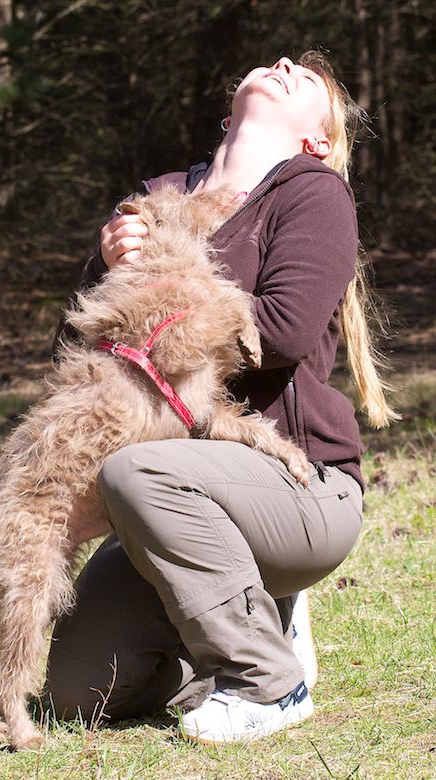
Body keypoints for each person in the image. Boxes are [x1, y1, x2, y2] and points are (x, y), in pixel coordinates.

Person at [45, 51, 397, 744]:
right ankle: (246, 624)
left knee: (135, 472)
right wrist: (104, 269)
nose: (286, 62)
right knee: (78, 693)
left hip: (296, 488)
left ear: (317, 140)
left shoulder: (313, 192)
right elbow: (78, 356)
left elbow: (282, 332)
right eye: (280, 62)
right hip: (167, 504)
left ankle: (268, 681)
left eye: (308, 79)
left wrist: (155, 305)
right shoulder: (160, 196)